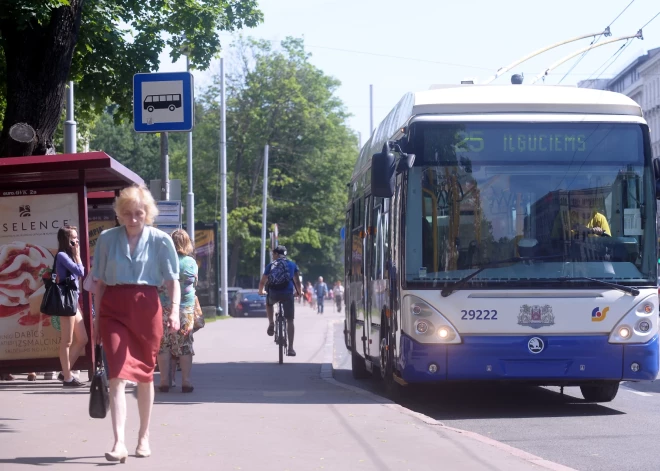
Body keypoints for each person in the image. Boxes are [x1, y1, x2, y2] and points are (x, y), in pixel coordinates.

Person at [92, 184, 180, 463]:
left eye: (138, 213)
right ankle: (119, 443)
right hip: (114, 309)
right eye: (127, 213)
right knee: (116, 373)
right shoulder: (106, 239)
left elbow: (172, 280)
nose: (133, 218)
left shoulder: (160, 240)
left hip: (147, 308)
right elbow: (100, 283)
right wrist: (95, 319)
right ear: (119, 213)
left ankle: (143, 436)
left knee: (143, 375)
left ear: (148, 214)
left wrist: (175, 311)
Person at [157, 229, 198, 393]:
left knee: (163, 345)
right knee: (185, 345)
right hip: (185, 309)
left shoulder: (162, 261)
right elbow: (194, 284)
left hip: (163, 308)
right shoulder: (191, 262)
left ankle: (164, 381)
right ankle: (186, 382)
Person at [53, 225, 89, 387]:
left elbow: (81, 272)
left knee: (83, 338)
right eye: (73, 238)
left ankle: (64, 372)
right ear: (66, 240)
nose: (76, 241)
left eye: (76, 237)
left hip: (73, 300)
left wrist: (76, 256)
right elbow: (80, 272)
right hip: (66, 300)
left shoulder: (69, 255)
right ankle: (67, 378)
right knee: (66, 341)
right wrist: (78, 256)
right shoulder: (62, 255)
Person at [258, 245, 302, 356]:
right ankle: (291, 348)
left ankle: (271, 322)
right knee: (290, 320)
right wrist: (299, 292)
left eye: (273, 254)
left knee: (269, 303)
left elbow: (262, 282)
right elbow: (297, 282)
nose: (273, 256)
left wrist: (261, 291)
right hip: (287, 294)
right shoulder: (292, 264)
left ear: (277, 254)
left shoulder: (271, 265)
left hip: (274, 293)